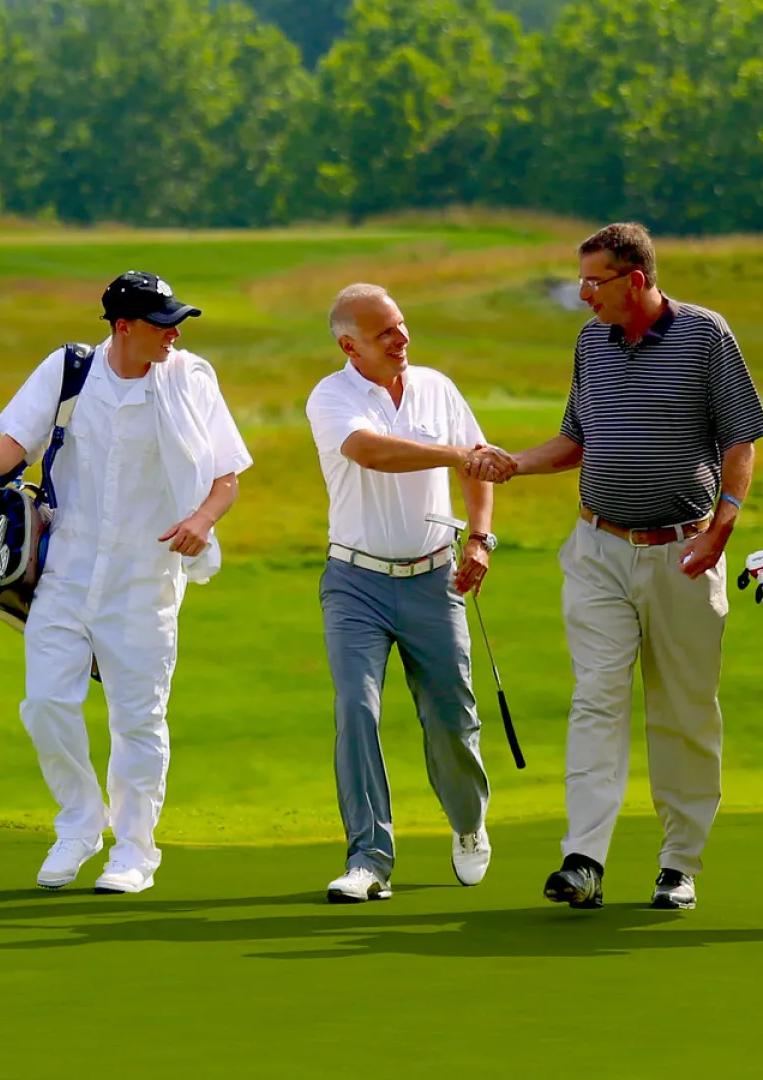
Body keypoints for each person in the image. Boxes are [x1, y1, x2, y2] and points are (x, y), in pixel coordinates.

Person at [472, 223, 763, 911]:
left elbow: (742, 443)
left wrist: (723, 527)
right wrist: (516, 462)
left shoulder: (706, 336)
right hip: (597, 550)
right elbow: (577, 439)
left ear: (634, 280)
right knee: (597, 698)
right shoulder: (590, 344)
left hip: (685, 553)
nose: (582, 296)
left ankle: (679, 863)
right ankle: (584, 859)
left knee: (684, 712)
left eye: (594, 282)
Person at [0, 270, 252, 895]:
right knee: (46, 703)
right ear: (123, 327)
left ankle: (134, 852)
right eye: (161, 324)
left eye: (177, 323)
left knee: (138, 721)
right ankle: (80, 823)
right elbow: (15, 443)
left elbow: (227, 476)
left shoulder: (191, 379)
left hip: (147, 577)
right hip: (69, 571)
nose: (174, 334)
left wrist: (201, 522)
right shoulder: (70, 370)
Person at [306, 283, 495, 903]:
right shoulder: (331, 397)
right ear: (349, 344)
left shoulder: (437, 387)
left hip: (435, 578)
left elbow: (479, 468)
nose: (402, 338)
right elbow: (371, 452)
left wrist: (480, 541)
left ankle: (468, 824)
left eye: (402, 324)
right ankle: (369, 858)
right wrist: (455, 454)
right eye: (385, 332)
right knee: (356, 712)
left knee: (451, 718)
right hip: (354, 581)